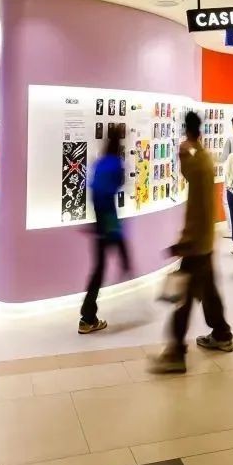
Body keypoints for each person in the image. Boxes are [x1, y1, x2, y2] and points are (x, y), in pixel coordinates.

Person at [150, 111, 233, 374]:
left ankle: (175, 352)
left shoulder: (194, 160)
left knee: (183, 298)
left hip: (196, 242)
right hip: (206, 239)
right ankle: (222, 333)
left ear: (186, 130)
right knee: (208, 290)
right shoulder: (205, 157)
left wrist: (184, 242)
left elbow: (193, 192)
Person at [78, 130, 131, 334]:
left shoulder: (100, 163)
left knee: (98, 268)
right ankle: (87, 316)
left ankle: (88, 315)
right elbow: (117, 185)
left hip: (101, 219)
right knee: (101, 268)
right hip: (108, 218)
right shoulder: (116, 164)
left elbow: (94, 190)